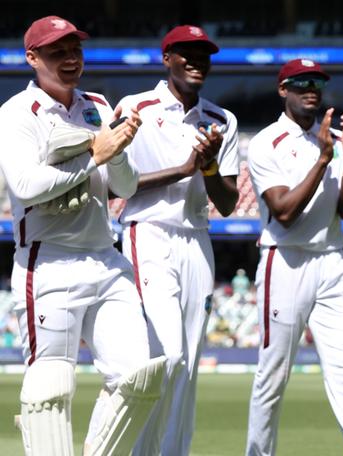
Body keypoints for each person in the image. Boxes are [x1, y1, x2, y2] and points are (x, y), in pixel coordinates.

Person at [0, 16, 166, 455]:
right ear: (33, 58)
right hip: (48, 262)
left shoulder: (96, 103)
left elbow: (125, 187)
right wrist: (97, 152)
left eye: (75, 49)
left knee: (139, 378)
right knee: (49, 390)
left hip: (106, 260)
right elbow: (26, 187)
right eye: (58, 52)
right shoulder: (16, 113)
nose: (71, 59)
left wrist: (120, 151)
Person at [115, 25, 241, 456]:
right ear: (166, 58)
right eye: (185, 53)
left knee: (186, 368)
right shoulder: (136, 107)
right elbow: (115, 187)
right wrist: (186, 168)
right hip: (147, 233)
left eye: (203, 55)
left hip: (197, 240)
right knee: (164, 358)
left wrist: (206, 169)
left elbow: (226, 202)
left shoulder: (222, 120)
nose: (196, 61)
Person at [245, 58, 343, 456]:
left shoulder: (335, 140)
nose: (311, 89)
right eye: (300, 83)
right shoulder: (266, 142)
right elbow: (283, 213)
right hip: (285, 262)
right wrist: (323, 158)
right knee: (273, 375)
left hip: (333, 261)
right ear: (282, 90)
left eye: (317, 83)